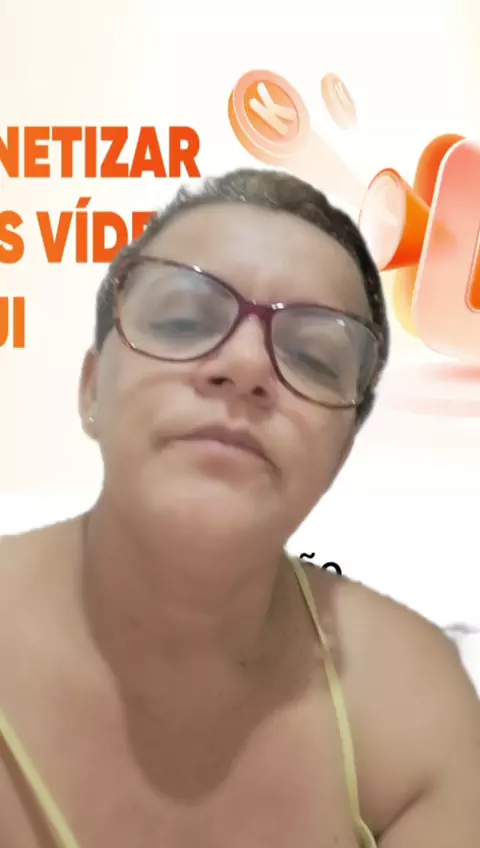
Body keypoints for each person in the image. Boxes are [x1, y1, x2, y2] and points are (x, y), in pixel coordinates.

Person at [0, 168, 478, 848]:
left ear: (341, 452)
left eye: (313, 357)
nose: (246, 365)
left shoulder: (410, 699)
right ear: (91, 390)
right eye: (182, 321)